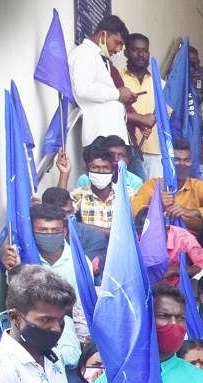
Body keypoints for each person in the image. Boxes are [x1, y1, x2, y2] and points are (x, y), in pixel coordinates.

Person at [0, 203, 93, 338]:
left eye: (55, 230)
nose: (49, 234)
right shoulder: (24, 260)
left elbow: (82, 308)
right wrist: (15, 270)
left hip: (65, 324)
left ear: (65, 231)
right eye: (43, 230)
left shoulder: (80, 263)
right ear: (32, 232)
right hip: (30, 325)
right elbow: (15, 301)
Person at [131, 138, 203, 245]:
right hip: (156, 242)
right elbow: (133, 211)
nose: (182, 164)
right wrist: (157, 207)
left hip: (191, 242)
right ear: (165, 163)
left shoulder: (196, 186)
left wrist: (192, 212)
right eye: (176, 160)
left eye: (187, 160)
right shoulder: (152, 185)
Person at [69, 14, 132, 146]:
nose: (118, 50)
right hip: (100, 139)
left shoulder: (99, 58)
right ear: (103, 35)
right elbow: (83, 89)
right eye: (117, 43)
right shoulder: (83, 53)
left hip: (111, 138)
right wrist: (118, 94)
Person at [120, 34, 163, 179]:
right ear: (126, 52)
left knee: (155, 198)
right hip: (127, 151)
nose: (140, 55)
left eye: (144, 51)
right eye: (135, 50)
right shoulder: (118, 81)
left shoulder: (160, 84)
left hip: (157, 152)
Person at [69, 141, 135, 233]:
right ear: (86, 170)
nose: (101, 171)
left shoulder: (126, 194)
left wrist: (83, 226)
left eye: (105, 167)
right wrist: (65, 174)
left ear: (112, 170)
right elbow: (61, 214)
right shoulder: (78, 195)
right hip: (91, 246)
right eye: (95, 167)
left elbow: (133, 227)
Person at [39, 186, 110, 268]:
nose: (66, 218)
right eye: (60, 214)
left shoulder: (94, 238)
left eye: (69, 212)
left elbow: (83, 270)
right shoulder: (36, 237)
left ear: (73, 210)